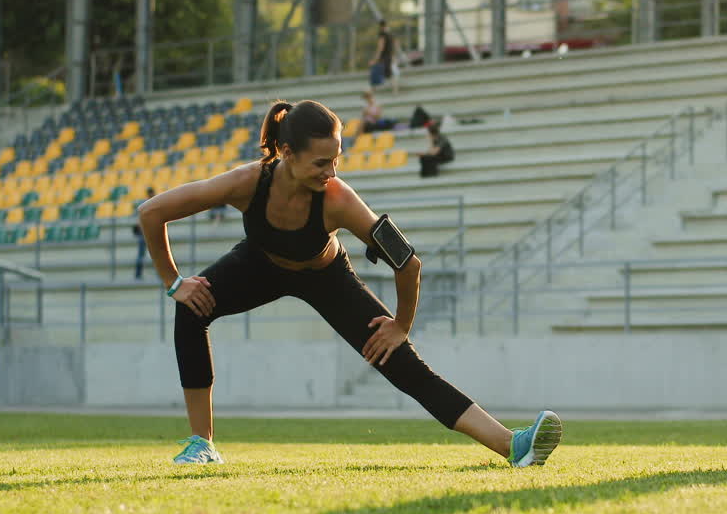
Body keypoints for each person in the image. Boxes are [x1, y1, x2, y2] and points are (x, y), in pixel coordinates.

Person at [136, 99, 562, 466]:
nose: (331, 171)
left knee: (400, 361)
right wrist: (174, 283)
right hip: (259, 264)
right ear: (285, 152)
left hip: (326, 277)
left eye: (337, 159)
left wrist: (400, 326)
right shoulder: (247, 182)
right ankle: (202, 443)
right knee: (190, 309)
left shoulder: (338, 198)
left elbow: (409, 264)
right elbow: (152, 213)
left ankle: (511, 444)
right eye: (321, 162)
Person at [369, 20, 398, 95]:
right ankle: (394, 90)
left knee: (376, 72)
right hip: (389, 56)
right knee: (389, 73)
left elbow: (380, 47)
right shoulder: (391, 34)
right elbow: (395, 45)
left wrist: (375, 59)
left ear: (381, 26)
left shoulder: (382, 34)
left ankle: (372, 91)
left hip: (383, 57)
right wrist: (393, 56)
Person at [133, 187, 156, 279]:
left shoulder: (145, 204)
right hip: (148, 232)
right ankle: (138, 274)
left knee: (144, 255)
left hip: (147, 232)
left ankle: (138, 274)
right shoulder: (153, 203)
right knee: (144, 255)